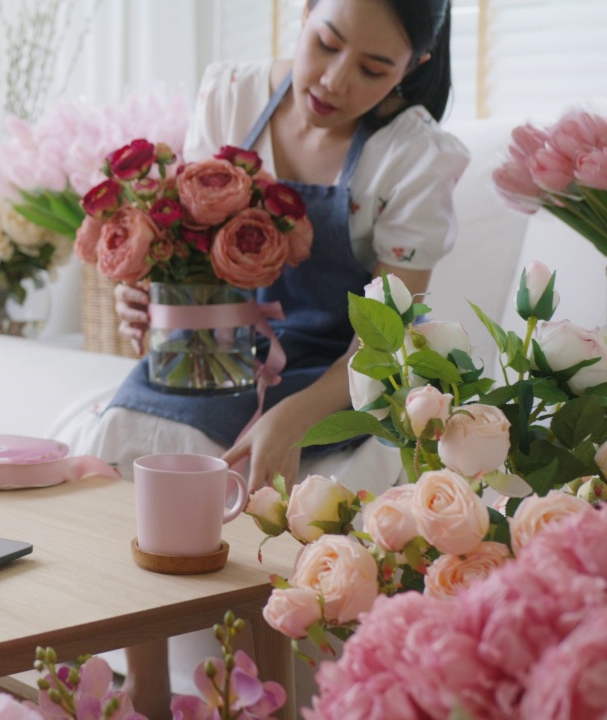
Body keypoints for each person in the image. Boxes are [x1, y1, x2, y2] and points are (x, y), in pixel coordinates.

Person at [52, 0, 468, 716]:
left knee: (312, 488)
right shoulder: (236, 94)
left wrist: (297, 418)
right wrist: (157, 301)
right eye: (326, 42)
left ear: (414, 68)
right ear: (303, 11)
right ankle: (146, 692)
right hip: (218, 352)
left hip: (336, 372)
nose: (335, 80)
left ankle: (271, 697)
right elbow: (188, 249)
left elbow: (390, 333)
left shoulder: (412, 153)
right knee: (125, 438)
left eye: (373, 68)